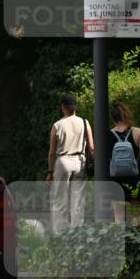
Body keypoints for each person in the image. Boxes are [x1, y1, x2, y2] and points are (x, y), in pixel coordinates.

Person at [46, 94, 94, 233]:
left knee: (60, 200)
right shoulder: (85, 123)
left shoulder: (57, 125)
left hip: (63, 162)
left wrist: (50, 172)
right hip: (80, 161)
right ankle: (76, 234)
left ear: (63, 107)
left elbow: (52, 152)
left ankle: (60, 235)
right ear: (75, 108)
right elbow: (92, 148)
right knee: (78, 201)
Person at [108, 101, 140, 224]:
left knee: (118, 214)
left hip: (115, 178)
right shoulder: (137, 132)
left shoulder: (107, 135)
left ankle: (122, 240)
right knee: (136, 212)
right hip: (135, 177)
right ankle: (137, 239)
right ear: (126, 115)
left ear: (114, 117)